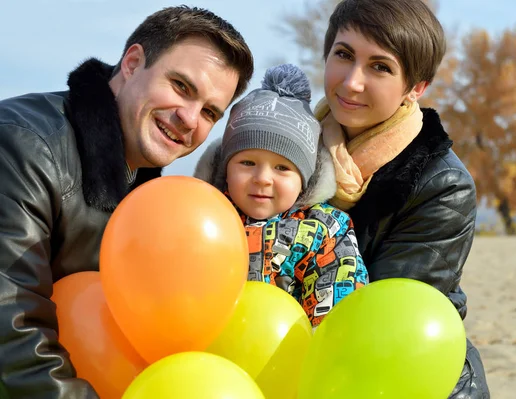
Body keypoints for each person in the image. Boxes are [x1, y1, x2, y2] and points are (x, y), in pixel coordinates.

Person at [0, 6, 253, 398]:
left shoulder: (152, 201)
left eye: (209, 112)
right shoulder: (25, 146)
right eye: (181, 86)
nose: (189, 118)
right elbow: (10, 329)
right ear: (133, 63)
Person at [314, 0, 490, 397]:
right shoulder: (288, 155)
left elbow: (384, 321)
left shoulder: (442, 185)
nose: (352, 82)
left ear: (416, 88)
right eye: (344, 55)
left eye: (380, 66)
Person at [194, 64, 368, 327]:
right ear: (225, 169)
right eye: (247, 163)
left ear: (304, 181)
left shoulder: (325, 230)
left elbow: (337, 307)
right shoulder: (203, 218)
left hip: (287, 356)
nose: (263, 178)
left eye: (282, 168)